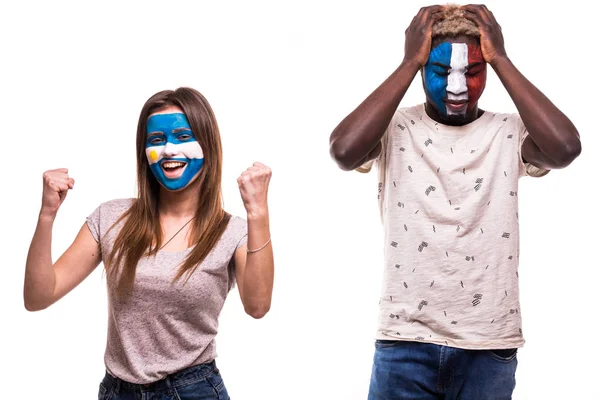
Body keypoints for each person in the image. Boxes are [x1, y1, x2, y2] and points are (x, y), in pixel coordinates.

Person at [329, 4, 581, 399]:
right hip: (405, 341)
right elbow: (343, 151)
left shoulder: (509, 132)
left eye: (474, 71)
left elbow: (565, 148)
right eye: (441, 71)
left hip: (487, 344)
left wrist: (502, 58)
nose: (458, 87)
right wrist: (409, 61)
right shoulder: (395, 128)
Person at [23, 87, 274, 399]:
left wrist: (257, 212)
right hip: (118, 391)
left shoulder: (231, 232)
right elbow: (37, 297)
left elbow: (258, 306)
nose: (168, 150)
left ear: (207, 144)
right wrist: (47, 214)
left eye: (182, 136)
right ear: (144, 152)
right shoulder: (112, 217)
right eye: (156, 141)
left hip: (193, 390)